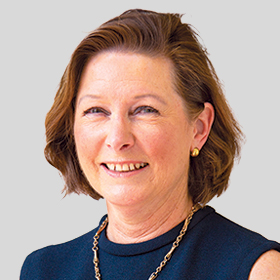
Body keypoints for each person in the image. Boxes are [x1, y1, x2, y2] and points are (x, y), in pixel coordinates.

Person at [20, 9, 280, 279]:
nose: (118, 138)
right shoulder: (43, 270)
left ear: (199, 129)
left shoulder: (256, 270)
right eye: (96, 110)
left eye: (145, 109)